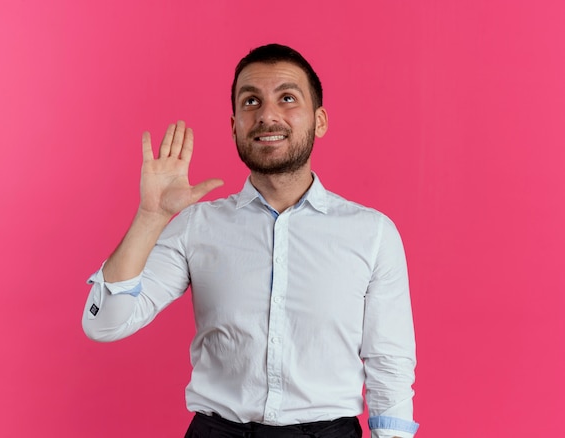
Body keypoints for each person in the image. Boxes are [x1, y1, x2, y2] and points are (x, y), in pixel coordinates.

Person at [82, 43, 418, 438]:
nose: (267, 115)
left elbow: (389, 364)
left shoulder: (372, 233)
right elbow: (104, 325)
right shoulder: (196, 226)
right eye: (251, 101)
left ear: (320, 120)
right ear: (234, 125)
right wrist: (150, 218)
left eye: (287, 98)